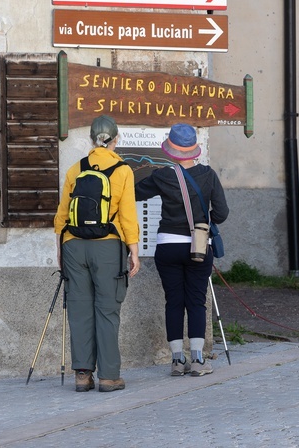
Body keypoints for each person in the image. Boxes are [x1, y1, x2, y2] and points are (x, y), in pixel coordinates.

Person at [135, 123, 229, 377]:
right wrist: (204, 220)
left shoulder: (162, 176)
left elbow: (135, 193)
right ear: (195, 151)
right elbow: (222, 213)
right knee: (197, 301)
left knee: (174, 301)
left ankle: (177, 360)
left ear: (171, 153)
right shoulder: (208, 175)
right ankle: (198, 361)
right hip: (198, 246)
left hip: (167, 246)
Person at [54, 115, 140, 393]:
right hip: (107, 245)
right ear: (116, 140)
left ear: (91, 140)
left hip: (72, 245)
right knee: (107, 309)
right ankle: (109, 376)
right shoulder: (123, 170)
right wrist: (134, 252)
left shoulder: (75, 169)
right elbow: (127, 215)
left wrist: (60, 250)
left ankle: (82, 375)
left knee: (79, 309)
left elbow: (61, 216)